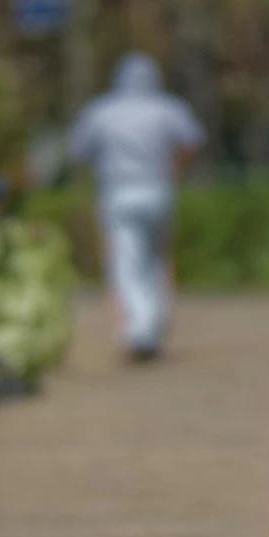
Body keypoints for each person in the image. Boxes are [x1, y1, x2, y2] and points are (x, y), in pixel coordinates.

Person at [68, 53, 204, 361]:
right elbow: (191, 140)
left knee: (126, 260)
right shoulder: (168, 107)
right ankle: (153, 324)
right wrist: (175, 167)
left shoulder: (102, 110)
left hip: (117, 191)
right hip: (158, 189)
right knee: (156, 260)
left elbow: (79, 149)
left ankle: (138, 331)